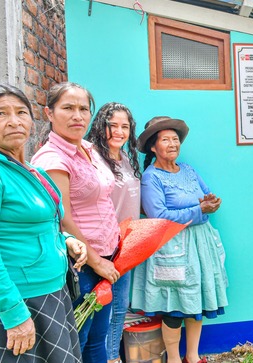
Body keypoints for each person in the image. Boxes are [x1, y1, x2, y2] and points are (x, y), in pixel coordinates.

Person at [0, 84, 87, 362]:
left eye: (21, 112)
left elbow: (43, 224)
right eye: (0, 113)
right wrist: (14, 314)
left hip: (51, 291)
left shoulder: (33, 170)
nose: (13, 121)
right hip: (18, 299)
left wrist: (66, 241)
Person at [31, 82, 122, 363]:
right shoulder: (52, 158)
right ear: (49, 112)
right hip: (82, 264)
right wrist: (97, 262)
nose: (77, 116)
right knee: (78, 342)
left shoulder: (88, 148)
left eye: (83, 109)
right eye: (68, 108)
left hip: (108, 256)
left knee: (98, 339)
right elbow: (62, 218)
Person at [132, 116, 228, 363]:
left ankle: (193, 357)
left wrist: (211, 202)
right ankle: (174, 359)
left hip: (199, 244)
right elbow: (158, 215)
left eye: (176, 139)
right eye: (166, 139)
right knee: (173, 307)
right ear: (153, 147)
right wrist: (199, 210)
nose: (173, 144)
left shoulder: (187, 170)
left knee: (197, 303)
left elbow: (204, 195)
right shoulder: (151, 177)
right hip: (171, 247)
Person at [86, 102, 141, 363]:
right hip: (102, 246)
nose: (119, 131)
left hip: (127, 244)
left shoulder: (128, 159)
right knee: (102, 308)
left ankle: (112, 357)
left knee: (120, 307)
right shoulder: (93, 158)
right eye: (113, 125)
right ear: (100, 126)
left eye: (125, 126)